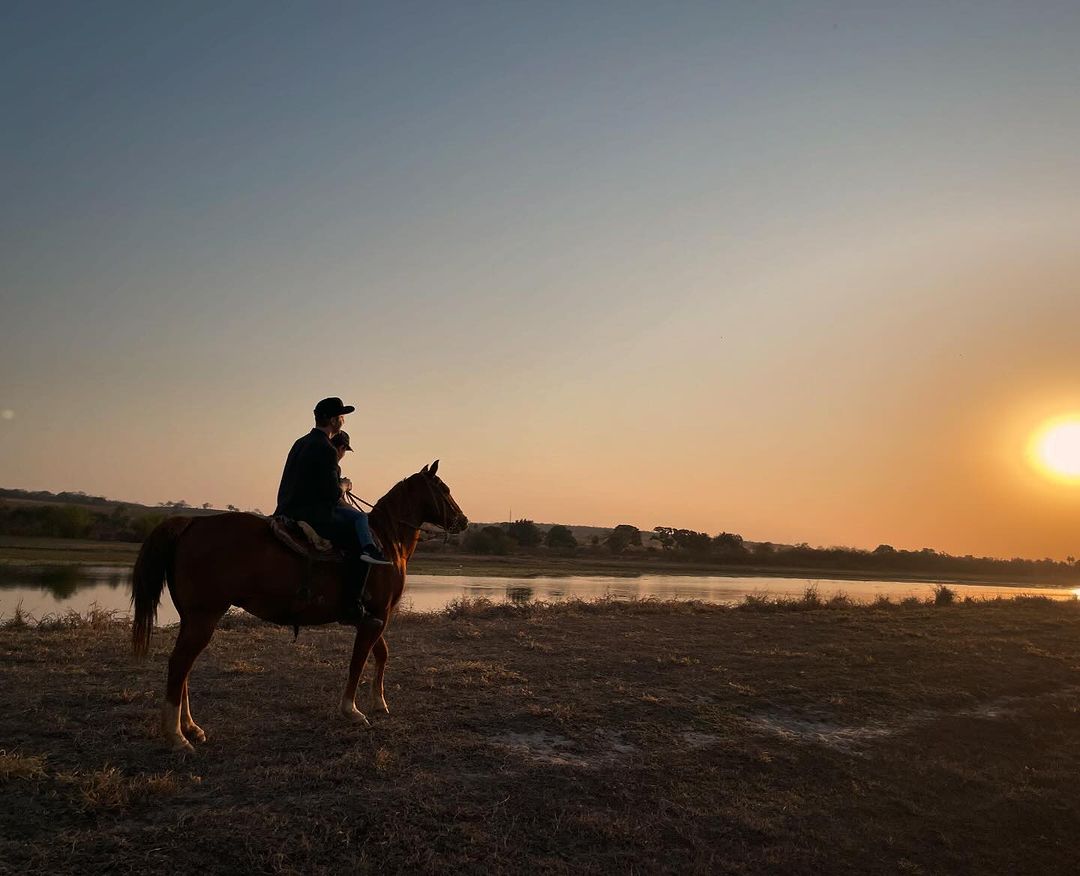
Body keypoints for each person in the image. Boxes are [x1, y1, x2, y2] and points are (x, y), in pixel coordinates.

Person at [273, 397, 385, 625]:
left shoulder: (300, 442)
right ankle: (352, 608)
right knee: (360, 545)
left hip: (288, 509)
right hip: (313, 514)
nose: (344, 420)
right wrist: (345, 485)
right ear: (334, 420)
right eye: (342, 416)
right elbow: (332, 494)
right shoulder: (325, 448)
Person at [330, 430, 390, 565]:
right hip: (324, 508)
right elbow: (334, 493)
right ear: (342, 448)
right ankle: (369, 550)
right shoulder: (332, 463)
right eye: (344, 451)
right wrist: (344, 484)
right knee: (361, 517)